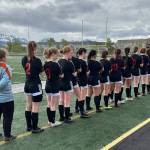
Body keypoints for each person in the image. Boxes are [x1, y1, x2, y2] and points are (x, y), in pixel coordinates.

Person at [22, 41, 44, 133]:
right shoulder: (37, 60)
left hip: (27, 84)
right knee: (35, 106)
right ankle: (35, 127)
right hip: (35, 85)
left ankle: (29, 126)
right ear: (34, 48)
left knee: (28, 105)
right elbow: (42, 73)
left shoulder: (23, 59)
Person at [43, 48, 62, 127]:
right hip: (54, 85)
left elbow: (43, 74)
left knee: (49, 103)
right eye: (57, 54)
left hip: (47, 85)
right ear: (53, 54)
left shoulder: (45, 63)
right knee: (53, 104)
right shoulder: (56, 64)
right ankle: (53, 122)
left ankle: (49, 121)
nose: (58, 56)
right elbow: (61, 75)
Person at [0, 48, 15, 141]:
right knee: (7, 117)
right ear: (3, 57)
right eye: (6, 55)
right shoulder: (6, 67)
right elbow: (3, 83)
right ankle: (7, 135)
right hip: (6, 98)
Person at [58, 46, 75, 123]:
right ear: (67, 53)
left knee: (61, 100)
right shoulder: (69, 63)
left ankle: (61, 117)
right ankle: (67, 118)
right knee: (67, 101)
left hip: (60, 83)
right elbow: (74, 74)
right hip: (67, 83)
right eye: (71, 53)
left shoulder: (59, 61)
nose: (72, 54)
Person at [77, 48, 90, 118]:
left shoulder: (76, 60)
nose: (86, 54)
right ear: (82, 53)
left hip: (78, 80)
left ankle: (78, 109)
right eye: (85, 53)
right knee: (82, 96)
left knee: (79, 96)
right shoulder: (83, 62)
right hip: (83, 80)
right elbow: (86, 72)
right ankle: (81, 111)